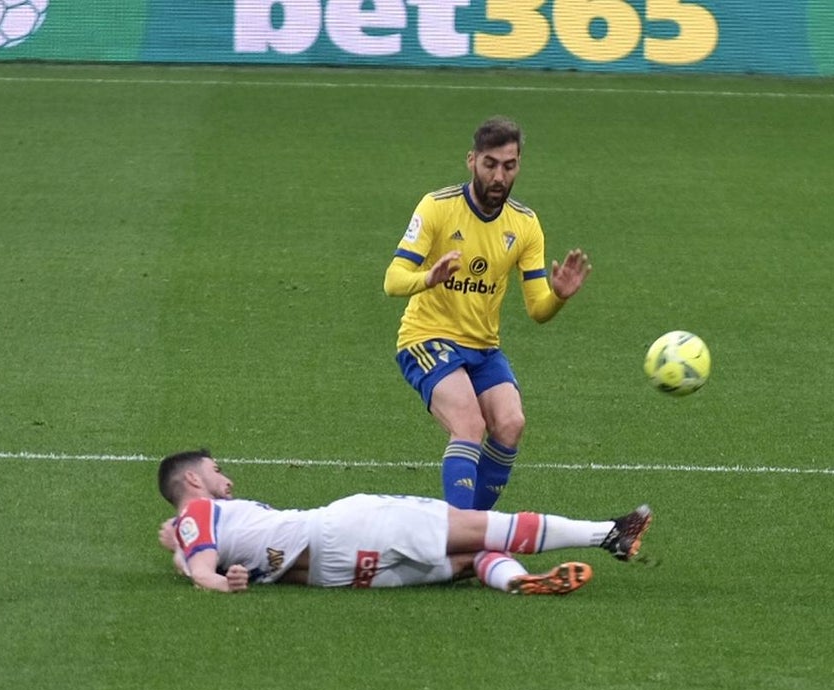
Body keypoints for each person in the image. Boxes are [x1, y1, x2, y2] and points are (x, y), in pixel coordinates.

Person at [383, 116, 592, 512]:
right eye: (490, 164)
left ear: (518, 166)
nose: (499, 176)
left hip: (482, 348)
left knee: (510, 424)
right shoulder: (438, 207)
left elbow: (537, 310)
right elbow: (392, 280)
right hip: (426, 339)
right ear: (471, 161)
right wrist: (428, 277)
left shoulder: (526, 225)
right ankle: (461, 536)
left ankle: (468, 537)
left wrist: (559, 296)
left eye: (509, 166)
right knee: (470, 424)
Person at [156, 449, 651, 595]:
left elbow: (193, 563)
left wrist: (189, 557)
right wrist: (220, 583)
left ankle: (519, 581)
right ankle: (608, 534)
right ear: (192, 482)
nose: (227, 478)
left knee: (463, 561)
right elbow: (202, 572)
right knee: (481, 526)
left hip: (344, 577)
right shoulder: (198, 512)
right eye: (215, 470)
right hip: (342, 528)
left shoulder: (191, 532)